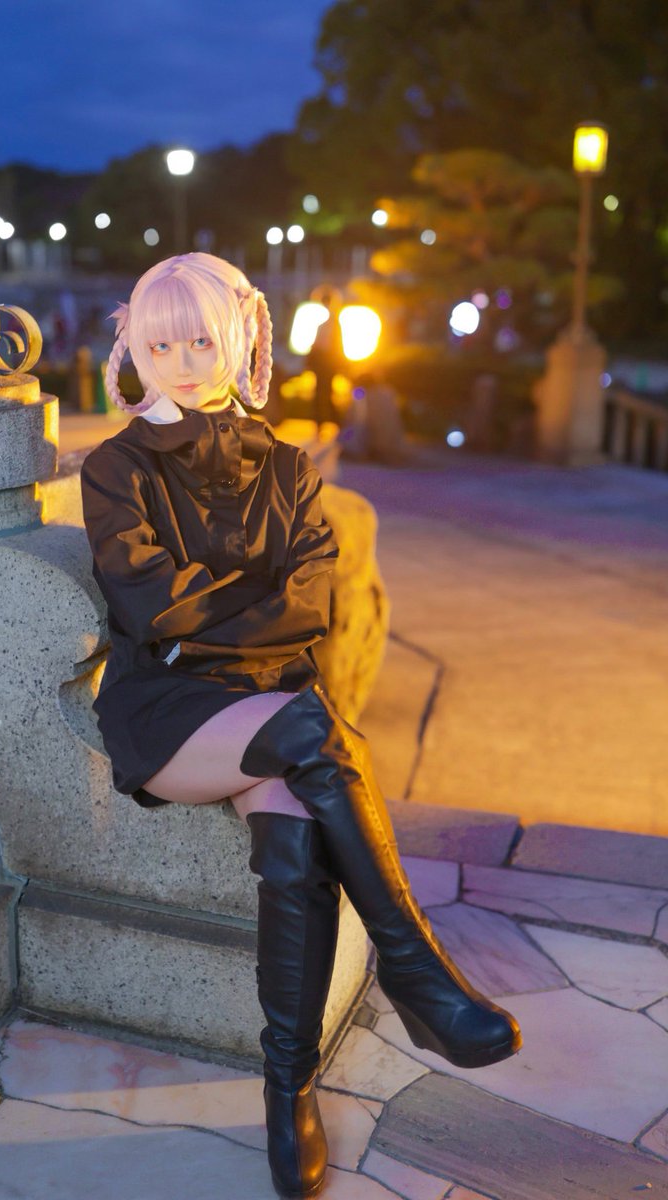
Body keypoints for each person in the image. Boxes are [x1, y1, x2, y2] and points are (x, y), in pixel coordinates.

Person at [80, 253, 522, 1200]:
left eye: (202, 341)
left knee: (295, 842)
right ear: (136, 350)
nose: (183, 362)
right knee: (318, 732)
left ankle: (290, 1091)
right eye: (162, 345)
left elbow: (313, 606)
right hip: (167, 711)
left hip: (272, 702)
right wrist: (250, 607)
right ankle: (415, 970)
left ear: (239, 337)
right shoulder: (116, 467)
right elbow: (153, 607)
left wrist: (216, 611)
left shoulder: (286, 466)